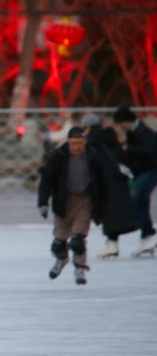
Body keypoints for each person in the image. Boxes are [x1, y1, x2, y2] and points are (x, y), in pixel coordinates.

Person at [37, 127, 105, 285]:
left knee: (78, 239)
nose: (76, 147)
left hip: (85, 201)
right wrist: (43, 203)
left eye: (79, 143)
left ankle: (80, 266)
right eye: (73, 143)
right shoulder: (59, 156)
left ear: (85, 142)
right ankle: (61, 259)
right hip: (64, 202)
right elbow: (47, 180)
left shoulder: (93, 156)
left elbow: (106, 180)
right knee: (59, 240)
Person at [81, 114, 139, 259]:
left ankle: (112, 245)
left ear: (88, 127)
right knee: (114, 213)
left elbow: (94, 163)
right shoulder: (110, 137)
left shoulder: (93, 141)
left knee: (108, 213)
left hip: (104, 183)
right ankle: (112, 243)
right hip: (118, 180)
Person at [112, 107, 157, 257]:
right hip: (141, 171)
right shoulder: (132, 132)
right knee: (139, 201)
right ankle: (147, 236)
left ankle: (149, 234)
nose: (120, 127)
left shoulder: (143, 132)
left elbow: (151, 151)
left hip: (151, 170)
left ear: (127, 121)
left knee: (137, 198)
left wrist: (127, 147)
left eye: (120, 123)